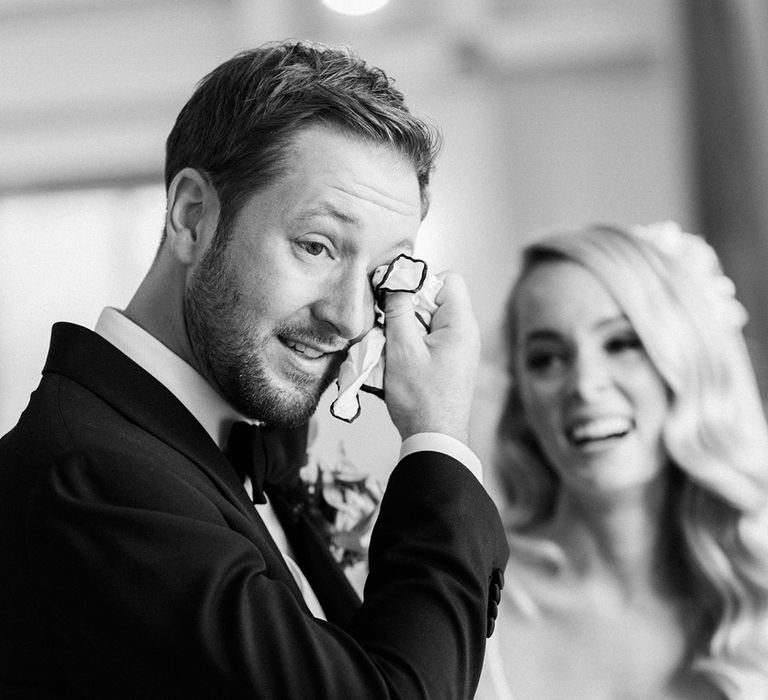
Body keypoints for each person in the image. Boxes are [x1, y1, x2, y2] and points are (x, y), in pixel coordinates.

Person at [0, 40, 508, 699]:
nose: (353, 318)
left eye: (383, 274)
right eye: (317, 245)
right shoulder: (94, 477)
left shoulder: (226, 452)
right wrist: (438, 438)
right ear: (193, 217)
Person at [475, 222, 768, 699]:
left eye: (621, 344)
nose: (585, 384)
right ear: (522, 399)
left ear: (683, 362)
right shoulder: (472, 605)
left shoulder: (755, 584)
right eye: (546, 358)